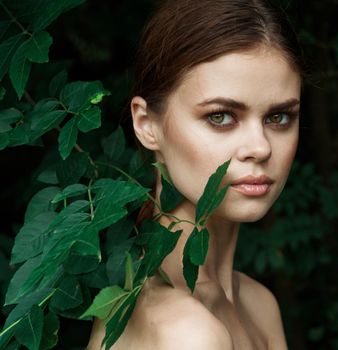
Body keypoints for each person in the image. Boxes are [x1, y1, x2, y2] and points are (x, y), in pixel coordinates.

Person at [87, 0, 305, 348]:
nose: (260, 147)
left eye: (278, 117)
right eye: (220, 117)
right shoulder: (187, 334)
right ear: (146, 125)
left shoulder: (258, 304)